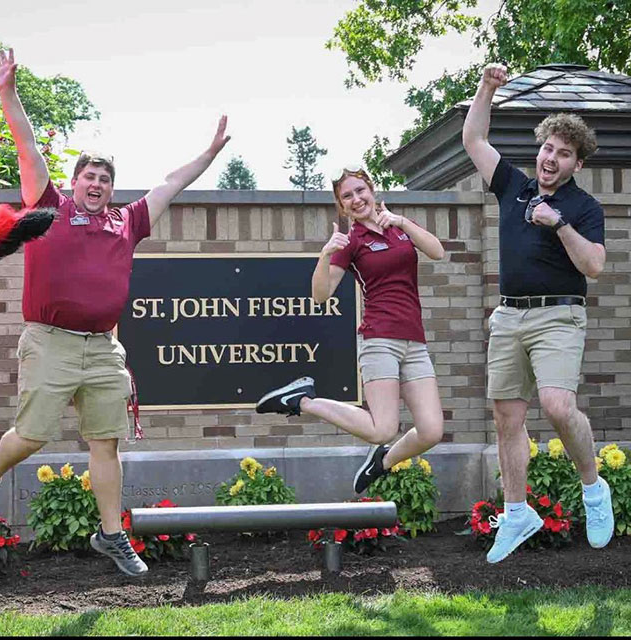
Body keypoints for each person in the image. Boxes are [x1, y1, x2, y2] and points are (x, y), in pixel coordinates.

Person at [0, 49, 230, 576]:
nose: (96, 184)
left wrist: (210, 153)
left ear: (111, 188)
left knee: (105, 444)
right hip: (50, 341)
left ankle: (111, 536)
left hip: (104, 348)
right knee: (33, 435)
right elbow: (27, 144)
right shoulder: (48, 206)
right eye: (89, 175)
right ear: (75, 180)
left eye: (105, 179)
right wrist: (7, 94)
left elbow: (171, 183)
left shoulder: (126, 223)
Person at [461, 63, 612, 563]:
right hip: (508, 317)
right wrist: (486, 88)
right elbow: (474, 139)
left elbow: (593, 266)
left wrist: (558, 223)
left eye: (563, 153)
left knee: (556, 405)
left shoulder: (584, 207)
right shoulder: (513, 185)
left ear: (576, 163)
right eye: (548, 147)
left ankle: (593, 489)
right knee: (507, 417)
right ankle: (517, 510)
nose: (551, 158)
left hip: (559, 317)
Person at [255, 165, 445, 495]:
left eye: (360, 191)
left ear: (372, 191)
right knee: (382, 428)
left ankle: (381, 463)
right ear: (341, 207)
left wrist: (400, 221)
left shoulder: (398, 229)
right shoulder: (351, 241)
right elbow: (320, 295)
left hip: (414, 341)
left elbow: (437, 251)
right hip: (379, 339)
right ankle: (303, 401)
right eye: (347, 197)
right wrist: (325, 253)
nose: (356, 199)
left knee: (430, 431)